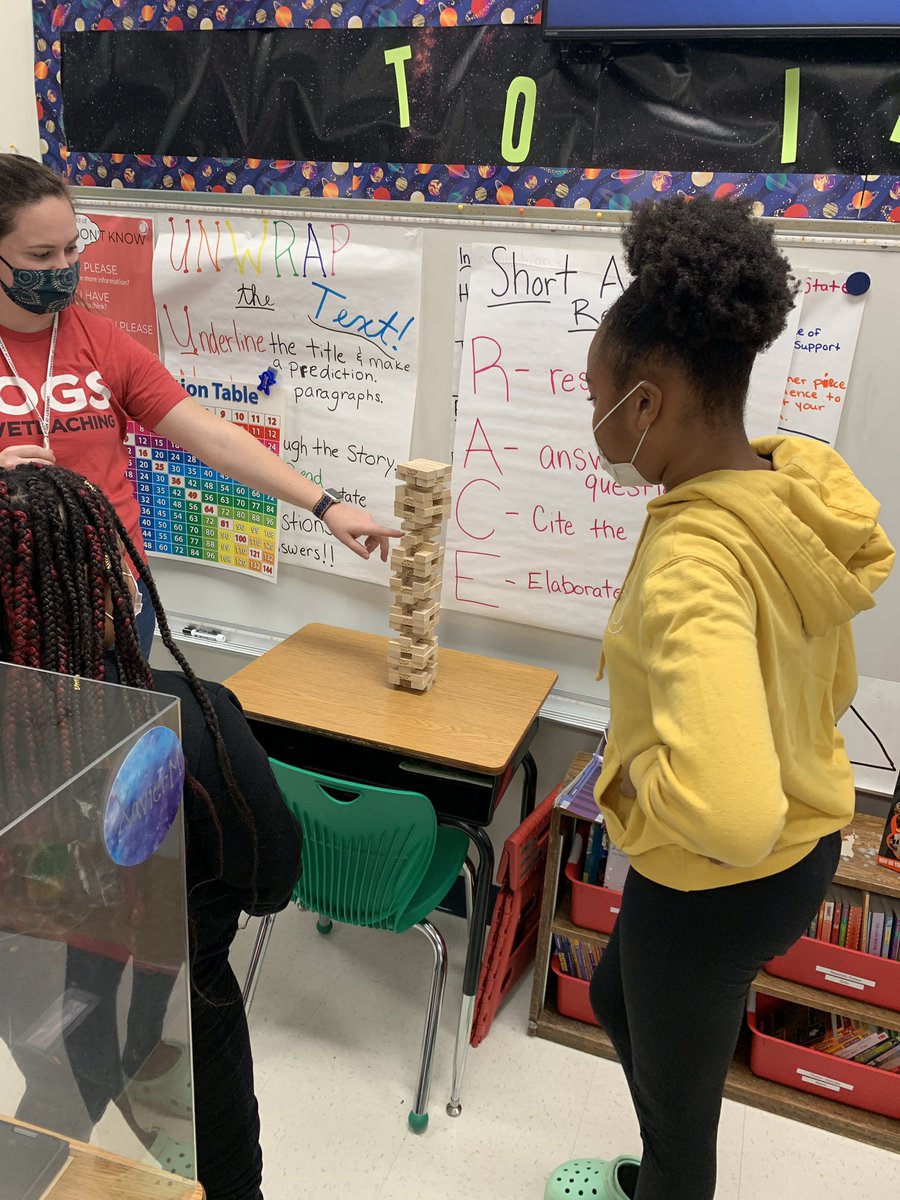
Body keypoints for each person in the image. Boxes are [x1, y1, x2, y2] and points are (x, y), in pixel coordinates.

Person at [546, 196, 894, 1200]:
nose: (596, 421)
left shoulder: (697, 558)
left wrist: (636, 792)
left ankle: (664, 1183)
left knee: (683, 1109)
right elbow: (819, 684)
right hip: (796, 844)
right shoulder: (788, 488)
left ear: (645, 405)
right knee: (619, 995)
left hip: (721, 875)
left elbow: (728, 814)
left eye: (598, 397)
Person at [0, 462, 304, 1200]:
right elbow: (270, 876)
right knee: (222, 1176)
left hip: (34, 1002)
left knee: (60, 1128)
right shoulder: (191, 722)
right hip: (182, 1006)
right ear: (107, 587)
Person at [0, 154, 400, 654]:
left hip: (109, 598)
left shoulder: (100, 340)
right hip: (13, 605)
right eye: (41, 256)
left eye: (71, 249)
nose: (63, 268)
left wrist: (324, 505)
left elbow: (213, 438)